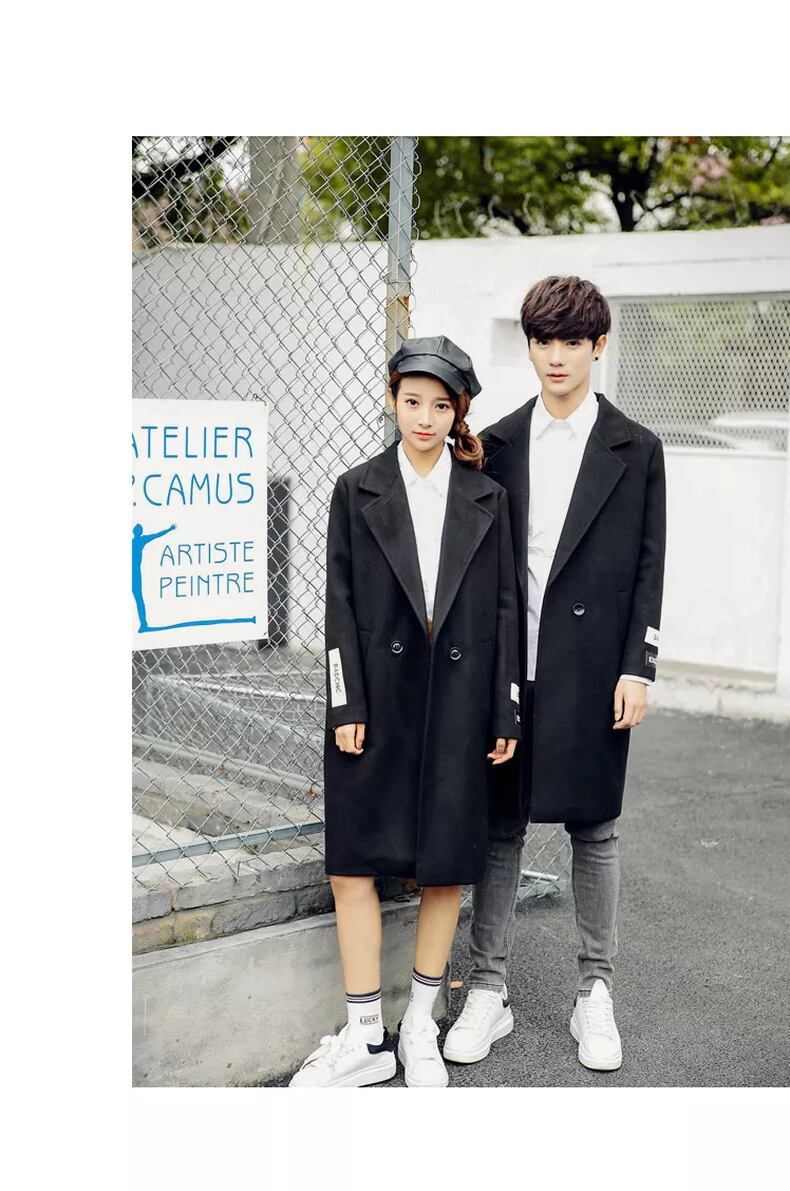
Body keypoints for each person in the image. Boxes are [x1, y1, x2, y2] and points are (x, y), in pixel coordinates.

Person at [443, 276, 666, 1074]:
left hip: (595, 670)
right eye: (543, 340)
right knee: (501, 825)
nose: (557, 356)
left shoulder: (636, 447)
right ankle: (489, 987)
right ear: (530, 346)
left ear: (599, 345)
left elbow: (649, 566)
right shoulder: (497, 443)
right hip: (512, 670)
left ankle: (594, 989)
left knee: (594, 827)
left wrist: (638, 665)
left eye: (573, 341)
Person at [290, 336, 521, 1087]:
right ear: (392, 400)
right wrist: (345, 702)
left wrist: (506, 710)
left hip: (459, 705)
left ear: (459, 413)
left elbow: (506, 611)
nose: (424, 417)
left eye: (440, 405)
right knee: (352, 864)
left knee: (446, 864)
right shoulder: (355, 489)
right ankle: (365, 1037)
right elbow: (339, 605)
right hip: (374, 705)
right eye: (412, 401)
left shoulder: (487, 497)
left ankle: (420, 1023)